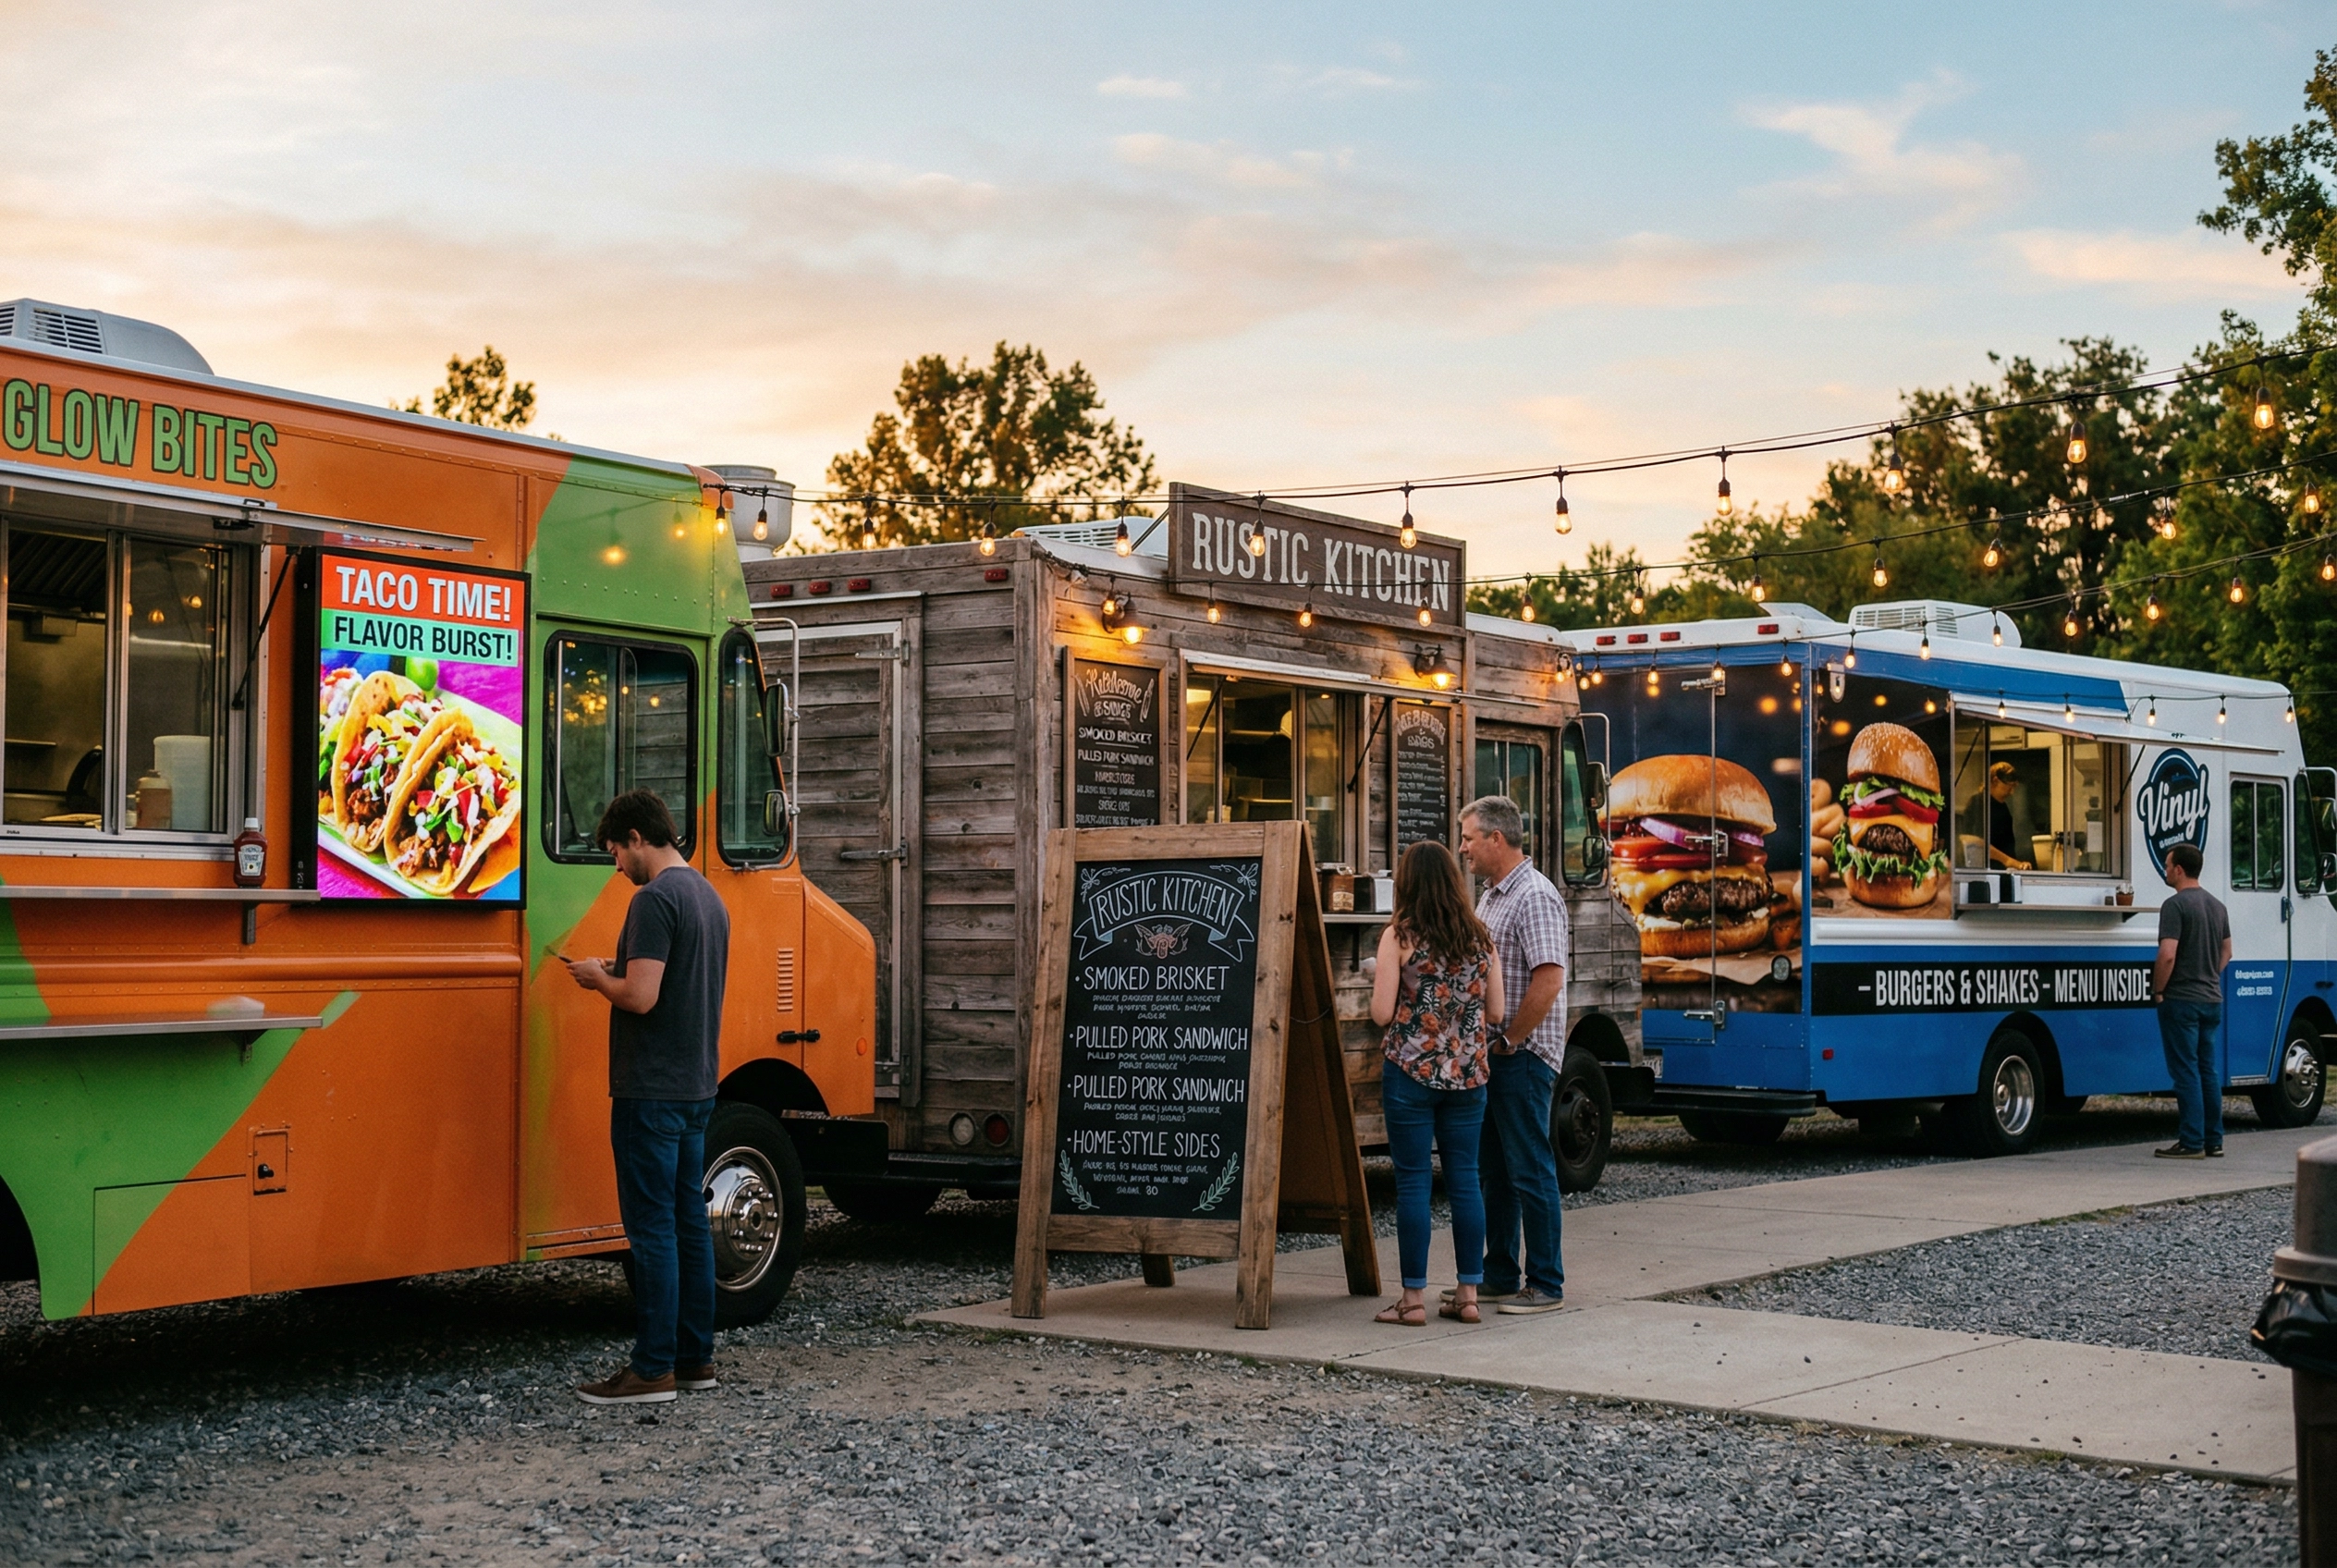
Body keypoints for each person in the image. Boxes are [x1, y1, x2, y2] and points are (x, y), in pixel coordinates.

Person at [565, 789, 732, 1403]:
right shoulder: (709, 897)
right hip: (696, 1088)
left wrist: (594, 979)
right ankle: (695, 1360)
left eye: (615, 850)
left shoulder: (654, 899)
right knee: (690, 1227)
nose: (615, 865)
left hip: (651, 1091)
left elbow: (641, 996)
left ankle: (652, 1367)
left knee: (652, 1231)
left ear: (638, 837)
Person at [1369, 840, 1505, 1328]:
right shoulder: (1482, 938)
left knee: (1412, 1184)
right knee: (1466, 1180)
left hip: (1409, 1073)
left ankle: (1412, 1301)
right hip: (1468, 1077)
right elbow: (1496, 1012)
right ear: (1453, 881)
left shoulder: (1399, 937)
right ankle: (1468, 1294)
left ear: (1407, 883)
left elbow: (1382, 1012)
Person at [1454, 795, 1569, 1315]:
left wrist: (1514, 1039)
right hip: (1496, 1053)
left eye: (1469, 837)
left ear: (1496, 839)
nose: (1463, 848)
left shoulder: (1534, 896)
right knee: (1494, 1170)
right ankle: (1500, 1273)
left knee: (1529, 1167)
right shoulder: (1493, 895)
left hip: (1522, 1054)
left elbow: (1549, 978)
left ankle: (1546, 1283)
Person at [2152, 840, 2232, 1159]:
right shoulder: (2217, 906)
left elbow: (2167, 954)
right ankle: (2214, 1141)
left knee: (2185, 1071)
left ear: (2180, 869)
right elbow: (2228, 951)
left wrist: (2159, 990)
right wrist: (2210, 972)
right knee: (2207, 1070)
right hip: (2212, 998)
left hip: (2181, 999)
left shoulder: (2175, 906)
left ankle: (2191, 1141)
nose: (2166, 871)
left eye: (2168, 865)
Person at [1986, 762, 2030, 870]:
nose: (2011, 792)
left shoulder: (2003, 807)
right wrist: (2010, 862)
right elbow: (1977, 843)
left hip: (2002, 869)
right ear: (1995, 780)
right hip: (1989, 871)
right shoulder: (1979, 804)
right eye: (2009, 787)